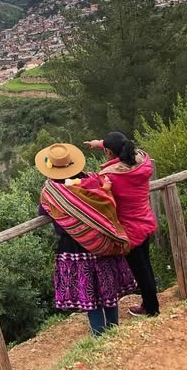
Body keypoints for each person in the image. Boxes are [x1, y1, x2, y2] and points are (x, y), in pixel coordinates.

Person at [36, 143, 137, 336]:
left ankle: (99, 335)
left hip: (74, 247)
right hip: (102, 242)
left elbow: (43, 210)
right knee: (107, 288)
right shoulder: (94, 180)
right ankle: (114, 328)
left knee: (89, 292)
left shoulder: (52, 192)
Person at [84, 132, 160, 317]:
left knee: (140, 271)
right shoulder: (143, 162)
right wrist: (100, 142)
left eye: (106, 150)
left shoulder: (112, 177)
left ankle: (151, 308)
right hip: (145, 220)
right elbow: (119, 145)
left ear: (110, 153)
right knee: (146, 265)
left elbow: (94, 192)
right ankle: (150, 302)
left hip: (130, 230)